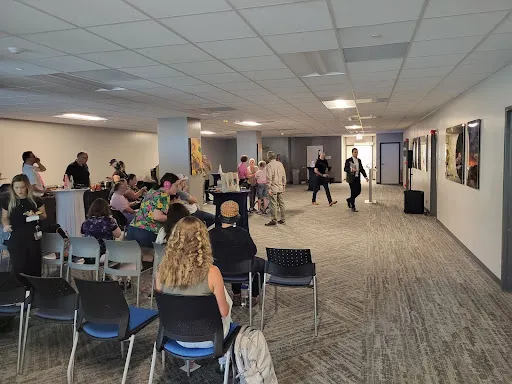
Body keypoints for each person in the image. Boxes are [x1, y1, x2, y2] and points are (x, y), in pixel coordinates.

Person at [156, 216, 232, 350]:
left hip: (175, 334)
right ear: (203, 239)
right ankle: (223, 359)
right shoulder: (212, 272)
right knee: (225, 301)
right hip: (209, 337)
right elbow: (224, 313)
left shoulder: (162, 270)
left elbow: (163, 306)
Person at [209, 200, 265, 306]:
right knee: (261, 264)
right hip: (242, 268)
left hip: (220, 268)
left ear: (220, 215)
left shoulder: (211, 234)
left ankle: (236, 294)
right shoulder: (242, 233)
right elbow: (253, 251)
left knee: (233, 260)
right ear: (237, 217)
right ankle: (254, 296)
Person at [1, 174, 46, 276]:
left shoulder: (36, 200)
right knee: (18, 266)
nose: (19, 190)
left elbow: (44, 215)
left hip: (32, 236)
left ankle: (33, 289)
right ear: (12, 188)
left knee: (33, 266)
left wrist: (37, 216)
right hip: (16, 236)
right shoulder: (8, 200)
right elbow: (4, 217)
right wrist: (6, 225)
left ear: (27, 187)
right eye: (16, 188)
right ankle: (20, 289)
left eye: (22, 187)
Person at [126, 173, 179, 247]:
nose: (177, 188)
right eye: (176, 185)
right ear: (168, 184)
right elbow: (157, 217)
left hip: (132, 229)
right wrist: (175, 217)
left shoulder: (152, 191)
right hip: (146, 232)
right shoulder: (164, 195)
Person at [265, 151, 286, 226]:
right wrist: (284, 185)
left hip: (273, 187)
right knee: (281, 203)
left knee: (273, 204)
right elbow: (284, 175)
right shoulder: (280, 164)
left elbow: (269, 177)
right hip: (280, 186)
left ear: (268, 157)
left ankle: (274, 220)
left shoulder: (269, 165)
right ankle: (283, 219)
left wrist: (269, 188)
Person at [344, 148, 368, 212]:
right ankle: (353, 206)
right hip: (351, 178)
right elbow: (345, 169)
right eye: (355, 152)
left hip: (357, 178)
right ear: (352, 153)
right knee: (353, 192)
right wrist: (351, 170)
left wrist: (365, 176)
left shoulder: (359, 160)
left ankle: (349, 200)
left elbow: (362, 169)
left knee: (358, 191)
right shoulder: (348, 160)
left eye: (357, 152)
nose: (356, 153)